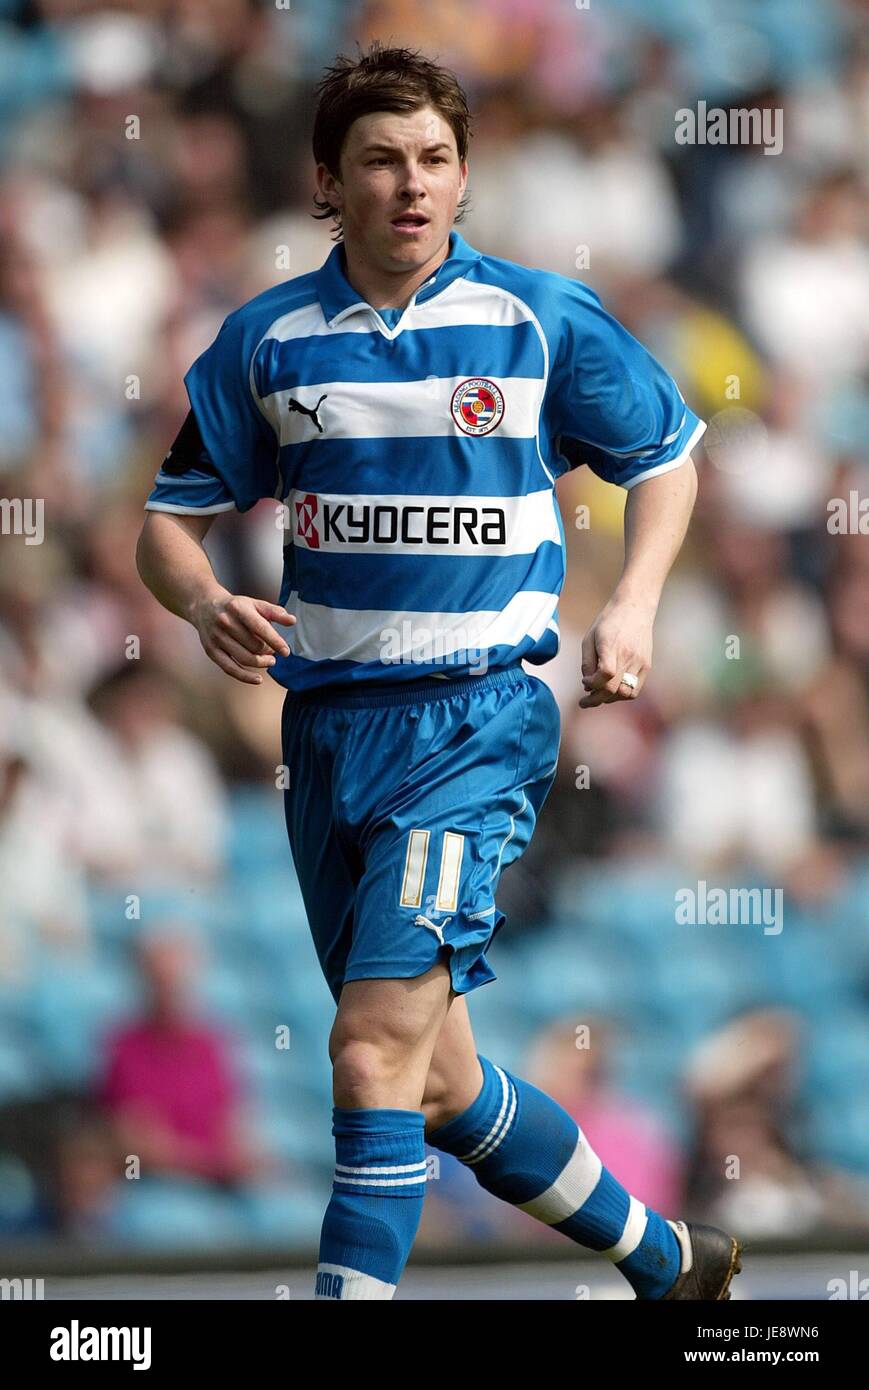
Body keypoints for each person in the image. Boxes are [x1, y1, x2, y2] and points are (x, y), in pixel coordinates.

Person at [136, 42, 741, 1301]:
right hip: (327, 738)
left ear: (462, 177)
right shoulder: (270, 339)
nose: (411, 185)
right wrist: (198, 604)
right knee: (444, 1083)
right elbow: (165, 523)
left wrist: (629, 604)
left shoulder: (535, 319)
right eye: (379, 161)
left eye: (434, 161)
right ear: (327, 179)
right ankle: (670, 1263)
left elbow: (668, 461)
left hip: (474, 724)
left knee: (366, 1057)